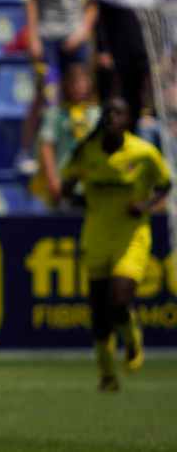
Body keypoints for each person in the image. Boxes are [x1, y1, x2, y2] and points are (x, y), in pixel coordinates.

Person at [63, 98, 170, 391]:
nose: (112, 116)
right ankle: (108, 375)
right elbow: (64, 184)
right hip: (96, 237)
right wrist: (69, 186)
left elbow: (165, 183)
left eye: (119, 112)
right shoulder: (87, 151)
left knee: (118, 302)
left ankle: (132, 338)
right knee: (98, 312)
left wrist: (146, 205)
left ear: (128, 119)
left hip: (131, 239)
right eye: (108, 111)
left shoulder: (144, 152)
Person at [17, 0, 98, 173]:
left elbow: (94, 2)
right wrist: (33, 36)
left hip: (74, 40)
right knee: (45, 93)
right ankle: (25, 152)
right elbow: (33, 0)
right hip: (48, 38)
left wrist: (83, 31)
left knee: (80, 94)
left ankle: (76, 149)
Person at [96, 0, 165, 131]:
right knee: (113, 100)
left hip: (142, 47)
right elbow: (102, 14)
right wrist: (103, 49)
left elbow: (157, 16)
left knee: (136, 102)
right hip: (117, 45)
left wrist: (160, 51)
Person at [30, 64, 101, 210]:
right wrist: (53, 179)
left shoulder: (98, 114)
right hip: (67, 183)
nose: (79, 87)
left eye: (83, 82)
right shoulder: (56, 115)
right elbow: (46, 146)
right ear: (66, 86)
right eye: (74, 83)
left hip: (93, 183)